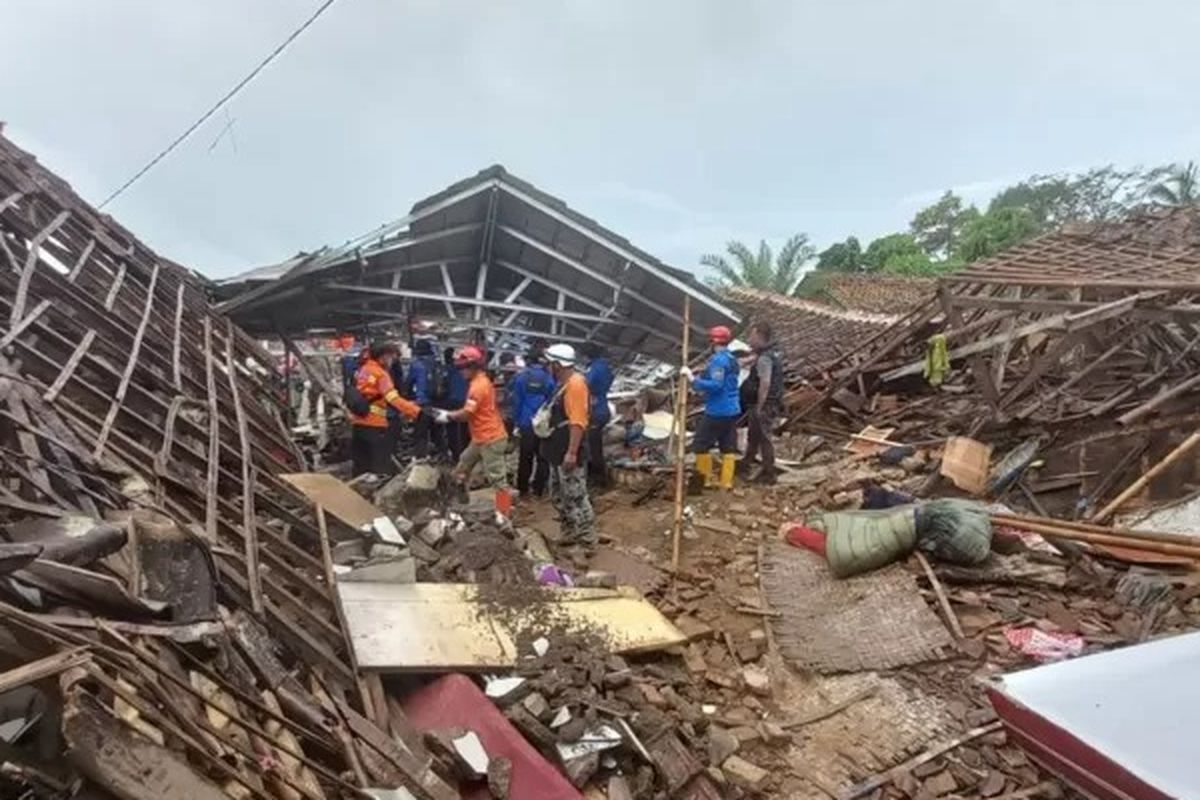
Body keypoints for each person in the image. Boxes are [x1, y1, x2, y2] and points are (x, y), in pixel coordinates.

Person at [436, 345, 512, 516]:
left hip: (490, 438)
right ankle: (461, 504)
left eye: (463, 367)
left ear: (473, 366)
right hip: (481, 437)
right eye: (459, 367)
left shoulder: (478, 387)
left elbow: (466, 415)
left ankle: (505, 512)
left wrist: (447, 416)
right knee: (461, 468)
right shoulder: (481, 381)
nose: (460, 371)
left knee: (497, 479)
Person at [542, 343, 596, 546]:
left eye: (549, 364)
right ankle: (569, 532)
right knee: (558, 494)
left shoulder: (576, 385)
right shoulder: (563, 384)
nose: (548, 368)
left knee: (575, 495)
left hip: (569, 449)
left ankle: (586, 540)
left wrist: (572, 453)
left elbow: (578, 422)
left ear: (557, 364)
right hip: (557, 448)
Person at [349, 342, 422, 477]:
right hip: (374, 425)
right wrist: (416, 411)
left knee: (360, 465)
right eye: (391, 357)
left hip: (358, 423)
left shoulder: (363, 370)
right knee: (379, 466)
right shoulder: (381, 375)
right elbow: (393, 398)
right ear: (384, 356)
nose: (392, 361)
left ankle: (355, 493)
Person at [682, 326, 741, 490]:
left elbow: (716, 385)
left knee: (701, 444)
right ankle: (726, 482)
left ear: (713, 342)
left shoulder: (718, 360)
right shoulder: (732, 359)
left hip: (718, 410)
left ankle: (706, 479)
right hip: (732, 409)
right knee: (727, 446)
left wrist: (693, 379)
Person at [741, 321, 785, 484]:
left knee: (764, 437)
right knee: (754, 435)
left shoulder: (765, 359)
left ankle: (768, 472)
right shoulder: (769, 355)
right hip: (769, 403)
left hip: (765, 404)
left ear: (759, 336)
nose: (749, 339)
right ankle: (746, 464)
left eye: (751, 336)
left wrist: (760, 405)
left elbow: (764, 383)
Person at [511, 349, 556, 498]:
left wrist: (516, 421)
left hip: (526, 422)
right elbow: (552, 401)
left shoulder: (521, 377)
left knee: (525, 457)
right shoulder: (549, 379)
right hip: (542, 423)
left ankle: (522, 489)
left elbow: (516, 401)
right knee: (543, 457)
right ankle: (539, 489)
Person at [584, 344, 613, 489]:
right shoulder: (606, 367)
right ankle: (601, 478)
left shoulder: (594, 368)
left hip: (595, 410)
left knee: (592, 447)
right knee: (596, 446)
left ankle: (598, 480)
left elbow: (586, 384)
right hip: (603, 407)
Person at [406, 339, 440, 459]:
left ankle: (421, 457)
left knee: (421, 433)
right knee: (437, 432)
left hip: (422, 403)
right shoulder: (435, 363)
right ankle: (442, 455)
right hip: (436, 403)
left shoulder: (416, 364)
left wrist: (407, 397)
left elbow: (409, 382)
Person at [443, 346, 469, 460]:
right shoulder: (464, 370)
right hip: (465, 401)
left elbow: (443, 388)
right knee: (464, 428)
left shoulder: (446, 370)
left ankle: (455, 455)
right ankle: (465, 453)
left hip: (450, 402)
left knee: (452, 429)